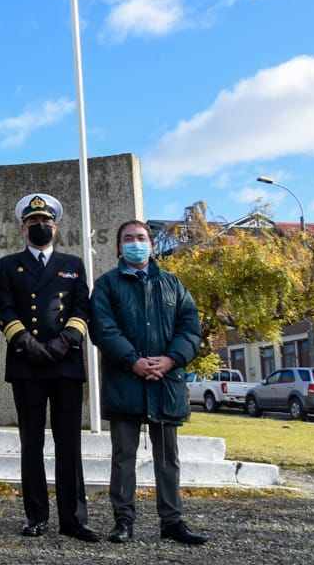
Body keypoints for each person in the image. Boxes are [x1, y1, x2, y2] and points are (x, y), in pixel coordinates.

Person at [91, 220, 207, 545]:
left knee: (168, 457)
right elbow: (103, 329)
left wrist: (170, 359)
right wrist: (134, 362)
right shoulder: (106, 285)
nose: (135, 243)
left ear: (152, 245)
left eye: (141, 238)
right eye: (128, 239)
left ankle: (172, 521)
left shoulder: (173, 285)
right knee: (123, 456)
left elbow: (190, 328)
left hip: (165, 383)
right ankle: (123, 521)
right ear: (119, 247)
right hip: (124, 381)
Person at [0, 193, 98, 541]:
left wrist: (63, 341)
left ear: (56, 226)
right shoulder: (9, 265)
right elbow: (5, 310)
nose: (40, 227)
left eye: (46, 222)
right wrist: (27, 343)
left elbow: (82, 308)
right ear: (23, 227)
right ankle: (36, 515)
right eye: (33, 222)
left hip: (65, 364)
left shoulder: (74, 264)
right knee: (31, 443)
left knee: (68, 443)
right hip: (27, 363)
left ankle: (74, 519)